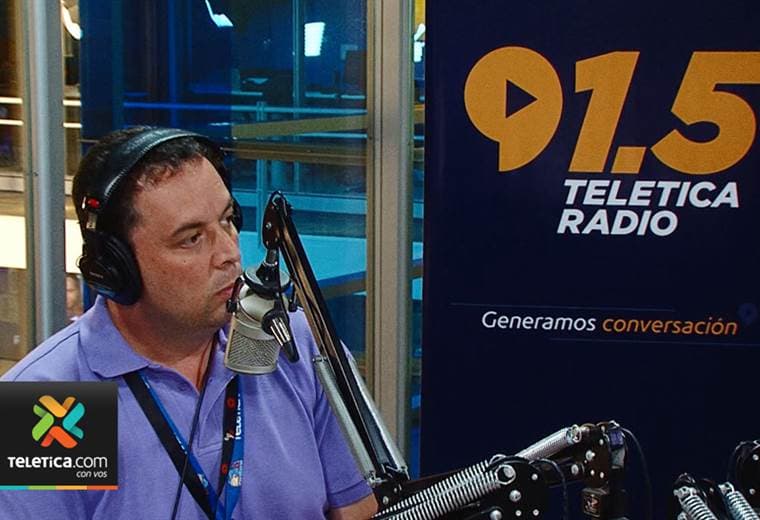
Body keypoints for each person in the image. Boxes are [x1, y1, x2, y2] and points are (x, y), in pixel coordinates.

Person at [0, 127, 378, 519]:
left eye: (228, 220)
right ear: (115, 267)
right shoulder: (48, 401)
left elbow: (360, 510)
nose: (229, 253)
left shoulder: (292, 340)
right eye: (192, 238)